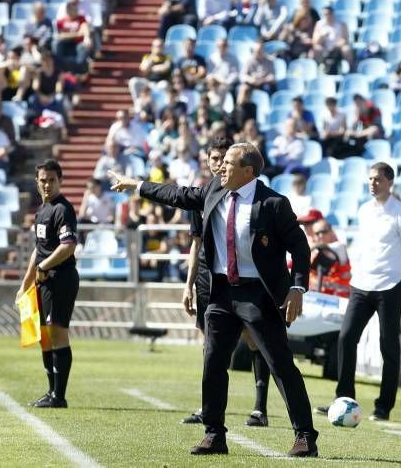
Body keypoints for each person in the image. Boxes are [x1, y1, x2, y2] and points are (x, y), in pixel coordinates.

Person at [110, 143, 319, 457]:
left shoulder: (273, 203)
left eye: (229, 163)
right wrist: (136, 186)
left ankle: (305, 436)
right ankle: (214, 434)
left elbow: (301, 248)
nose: (221, 168)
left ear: (248, 171)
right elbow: (177, 195)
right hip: (221, 293)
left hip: (258, 295)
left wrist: (297, 288)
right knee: (213, 362)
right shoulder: (214, 191)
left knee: (280, 364)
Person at [180, 137, 272, 428]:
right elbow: (196, 243)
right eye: (214, 159)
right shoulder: (203, 196)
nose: (218, 164)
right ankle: (209, 409)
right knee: (210, 343)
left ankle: (260, 407)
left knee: (254, 340)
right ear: (207, 161)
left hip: (240, 278)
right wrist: (189, 283)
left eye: (224, 159)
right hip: (209, 278)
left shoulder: (249, 195)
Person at [316, 162, 401, 421]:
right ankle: (343, 399)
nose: (373, 183)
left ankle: (383, 407)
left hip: (389, 285)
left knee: (389, 347)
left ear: (390, 182)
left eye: (378, 179)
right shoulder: (363, 210)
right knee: (346, 338)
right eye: (370, 179)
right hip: (361, 284)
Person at [17, 159, 79, 409]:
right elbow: (38, 251)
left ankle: (59, 396)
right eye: (43, 180)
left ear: (60, 181)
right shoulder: (42, 211)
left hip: (60, 279)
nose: (47, 184)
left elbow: (68, 246)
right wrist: (25, 283)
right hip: (43, 282)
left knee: (58, 333)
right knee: (44, 336)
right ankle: (51, 391)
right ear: (37, 182)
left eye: (52, 180)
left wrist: (44, 268)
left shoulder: (63, 209)